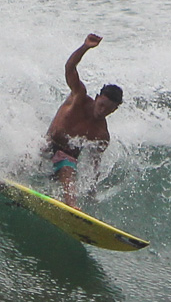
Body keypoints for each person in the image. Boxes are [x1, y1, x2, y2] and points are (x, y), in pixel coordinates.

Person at [44, 33, 122, 207]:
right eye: (102, 105)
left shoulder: (102, 135)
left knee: (67, 166)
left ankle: (72, 208)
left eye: (109, 109)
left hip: (66, 159)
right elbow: (70, 68)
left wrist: (91, 192)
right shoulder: (79, 97)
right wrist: (85, 47)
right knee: (32, 150)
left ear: (115, 110)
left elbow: (94, 165)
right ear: (97, 97)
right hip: (48, 143)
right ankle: (2, 181)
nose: (103, 111)